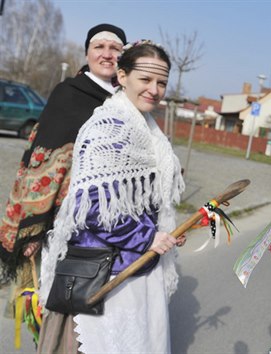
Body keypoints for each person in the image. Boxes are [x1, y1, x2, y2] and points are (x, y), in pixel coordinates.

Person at [37, 40, 185, 353]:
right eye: (145, 79)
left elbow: (145, 201)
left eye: (161, 82)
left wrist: (163, 233)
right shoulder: (107, 127)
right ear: (122, 76)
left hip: (141, 268)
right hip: (106, 273)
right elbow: (92, 209)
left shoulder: (150, 130)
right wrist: (147, 237)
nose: (154, 90)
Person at [0, 23, 127, 284]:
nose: (106, 54)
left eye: (115, 48)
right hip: (59, 217)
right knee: (55, 289)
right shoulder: (67, 93)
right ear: (87, 53)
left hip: (105, 216)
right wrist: (36, 227)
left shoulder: (125, 100)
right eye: (99, 47)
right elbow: (40, 158)